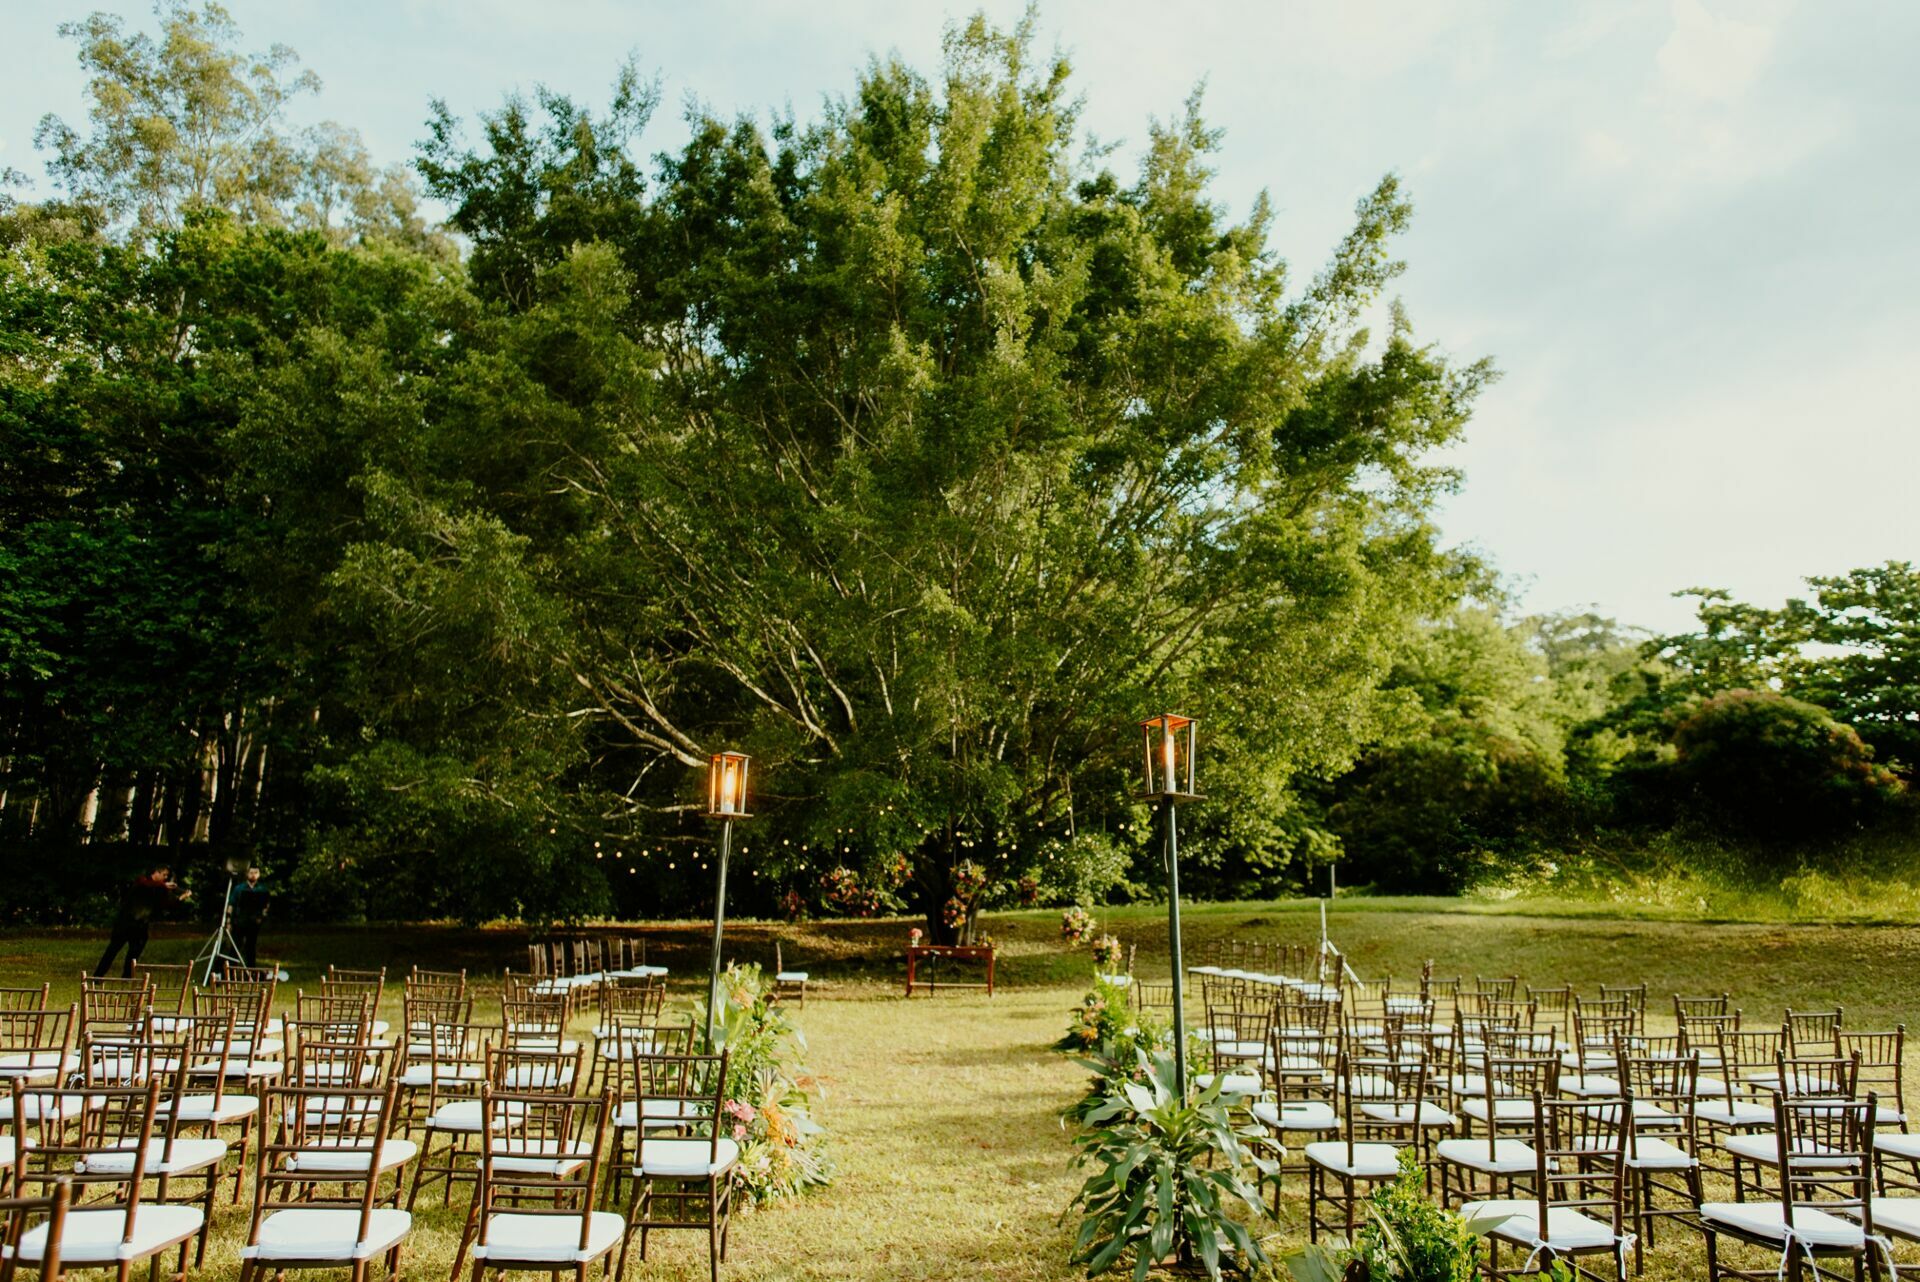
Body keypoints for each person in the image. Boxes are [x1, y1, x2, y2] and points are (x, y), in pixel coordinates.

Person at [93, 864, 191, 978]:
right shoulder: (142, 880)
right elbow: (145, 885)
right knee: (113, 950)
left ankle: (127, 977)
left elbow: (166, 904)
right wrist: (164, 885)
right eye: (164, 875)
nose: (165, 878)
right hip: (125, 923)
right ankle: (98, 976)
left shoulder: (159, 888)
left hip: (141, 925)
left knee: (134, 953)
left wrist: (181, 897)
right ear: (156, 872)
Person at [230, 865, 270, 968]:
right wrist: (228, 921)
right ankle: (230, 970)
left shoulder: (262, 889)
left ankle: (250, 970)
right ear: (247, 874)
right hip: (239, 922)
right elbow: (231, 904)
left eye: (256, 873)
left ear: (259, 875)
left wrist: (262, 917)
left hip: (253, 922)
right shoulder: (239, 888)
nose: (253, 875)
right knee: (235, 946)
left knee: (251, 947)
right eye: (251, 873)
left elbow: (266, 906)